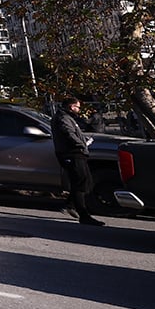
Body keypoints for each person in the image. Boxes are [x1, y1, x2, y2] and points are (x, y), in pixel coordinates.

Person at [51, 94, 104, 226]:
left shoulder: (68, 117)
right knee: (80, 183)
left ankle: (69, 204)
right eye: (78, 107)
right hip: (71, 154)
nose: (79, 110)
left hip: (76, 153)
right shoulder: (63, 118)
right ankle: (83, 215)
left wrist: (83, 141)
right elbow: (68, 134)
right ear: (71, 106)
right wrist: (81, 144)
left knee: (85, 182)